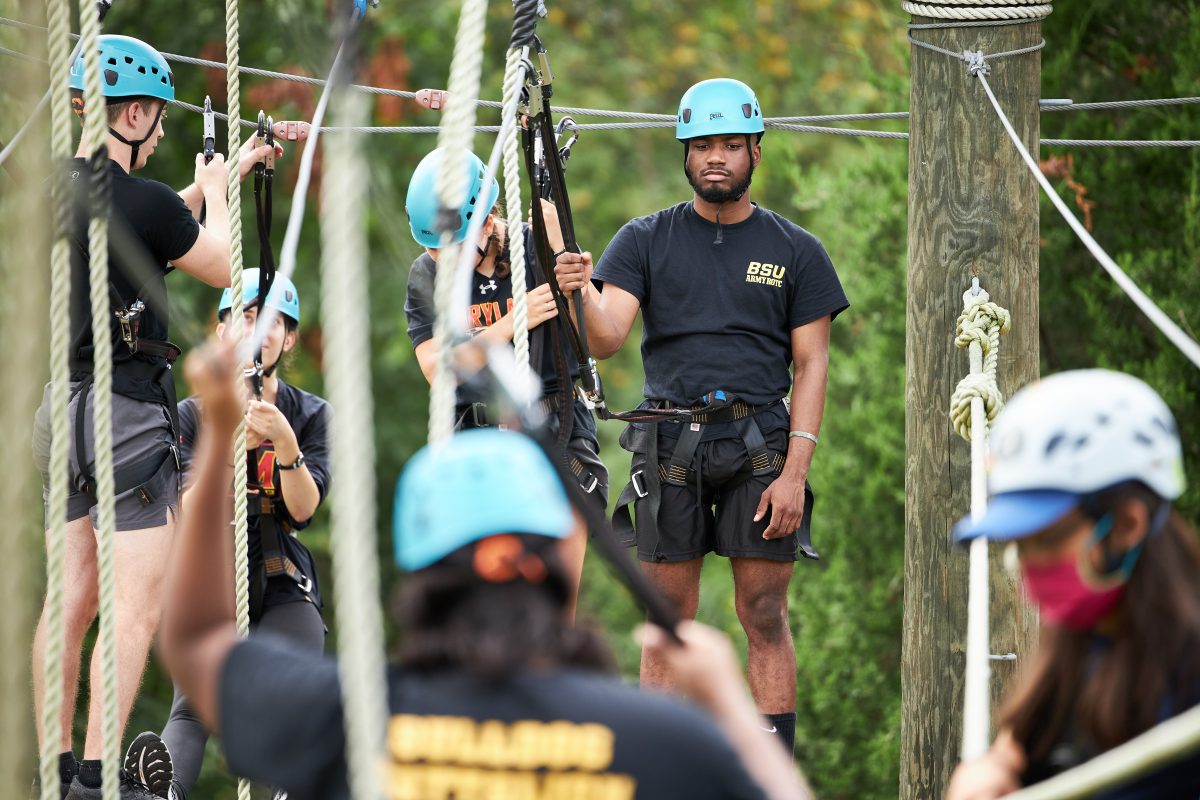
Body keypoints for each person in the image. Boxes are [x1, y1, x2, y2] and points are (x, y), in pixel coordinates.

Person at [158, 339, 815, 800]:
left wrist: (218, 431)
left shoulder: (353, 724)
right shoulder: (648, 740)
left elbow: (195, 644)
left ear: (420, 574)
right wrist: (725, 701)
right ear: (558, 558)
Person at [553, 77, 849, 754]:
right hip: (669, 443)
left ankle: (773, 768)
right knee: (668, 621)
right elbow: (604, 337)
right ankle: (657, 768)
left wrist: (796, 474)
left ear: (755, 151)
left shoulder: (796, 250)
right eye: (704, 145)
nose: (717, 156)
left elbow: (813, 366)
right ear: (686, 153)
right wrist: (576, 293)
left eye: (731, 145)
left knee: (765, 612)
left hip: (763, 444)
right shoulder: (645, 240)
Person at [29, 33, 277, 800]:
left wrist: (210, 183)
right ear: (131, 114)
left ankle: (55, 765)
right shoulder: (148, 205)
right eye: (157, 118)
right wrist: (221, 191)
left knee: (68, 599)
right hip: (126, 412)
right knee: (134, 608)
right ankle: (100, 780)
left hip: (61, 411)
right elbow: (223, 263)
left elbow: (150, 229)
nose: (164, 131)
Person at [946, 370, 1200, 799]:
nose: (1030, 571)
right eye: (1019, 546)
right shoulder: (1083, 644)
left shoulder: (1187, 683)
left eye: (1046, 539)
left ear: (1127, 524)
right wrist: (999, 764)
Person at [403, 147, 609, 615]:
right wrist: (509, 326)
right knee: (480, 602)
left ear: (485, 221)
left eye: (449, 245)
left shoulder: (532, 248)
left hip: (555, 427)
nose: (440, 258)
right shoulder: (427, 274)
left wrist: (563, 252)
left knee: (556, 604)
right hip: (476, 436)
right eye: (432, 247)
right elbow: (437, 368)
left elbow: (595, 338)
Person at [148, 272, 328, 800]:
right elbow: (179, 506)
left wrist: (285, 444)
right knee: (192, 707)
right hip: (216, 575)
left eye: (274, 323)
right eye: (246, 317)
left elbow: (303, 510)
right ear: (222, 328)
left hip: (280, 577)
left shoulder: (311, 415)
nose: (260, 330)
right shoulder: (190, 416)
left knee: (289, 697)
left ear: (289, 339)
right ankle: (160, 792)